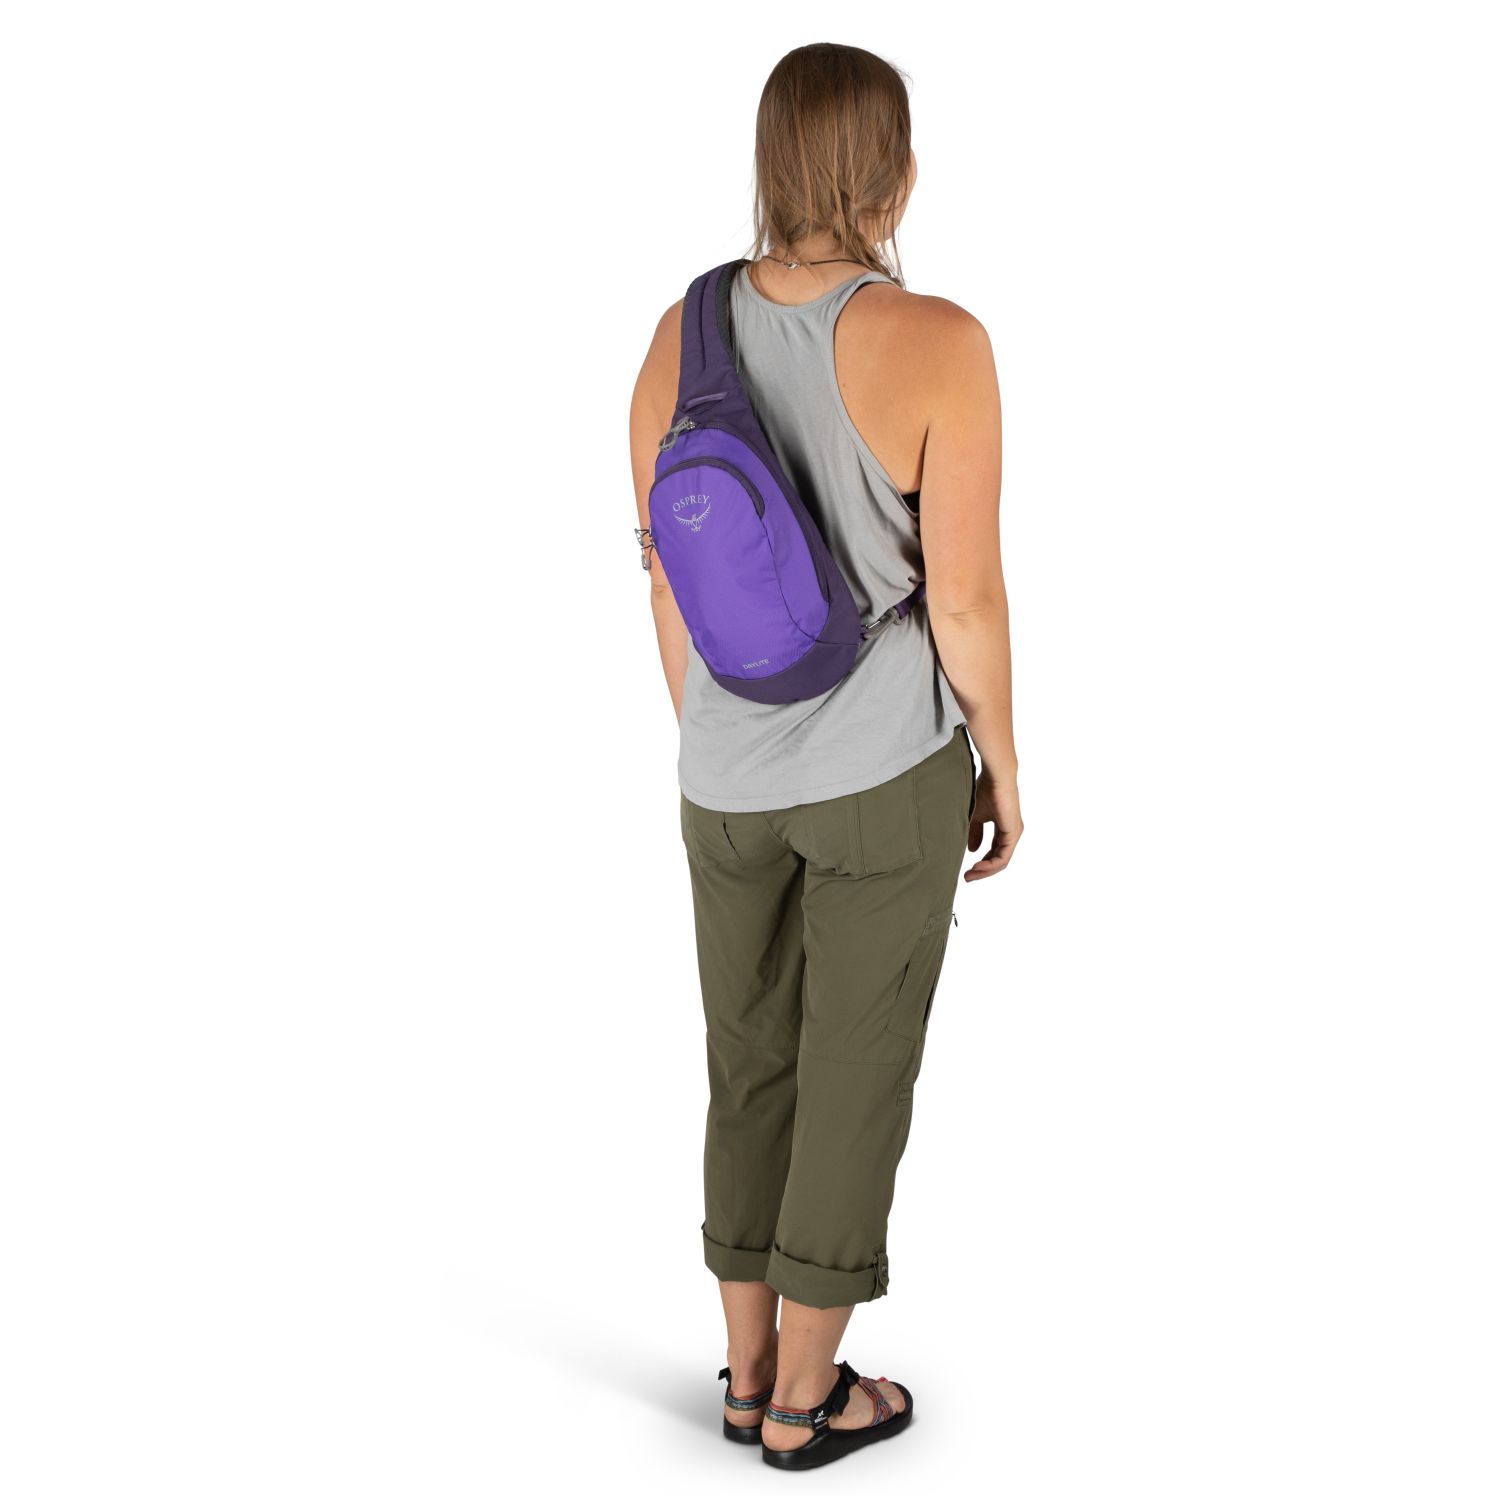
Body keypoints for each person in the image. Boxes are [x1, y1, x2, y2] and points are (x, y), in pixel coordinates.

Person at [628, 42, 1021, 1471]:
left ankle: (743, 1379)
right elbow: (962, 603)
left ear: (767, 162)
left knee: (750, 1068)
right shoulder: (940, 342)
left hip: (721, 785)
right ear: (896, 178)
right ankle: (807, 1402)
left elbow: (667, 579)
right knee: (854, 1076)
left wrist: (723, 750)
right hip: (880, 782)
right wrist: (1004, 765)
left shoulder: (677, 336)